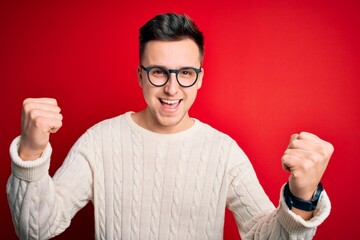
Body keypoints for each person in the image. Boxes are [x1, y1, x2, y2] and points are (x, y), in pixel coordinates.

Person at [7, 13, 333, 240]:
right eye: (159, 72)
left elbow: (266, 237)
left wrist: (301, 198)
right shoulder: (99, 142)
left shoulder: (224, 152)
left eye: (186, 73)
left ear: (200, 78)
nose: (172, 89)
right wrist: (31, 154)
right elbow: (35, 229)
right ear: (140, 76)